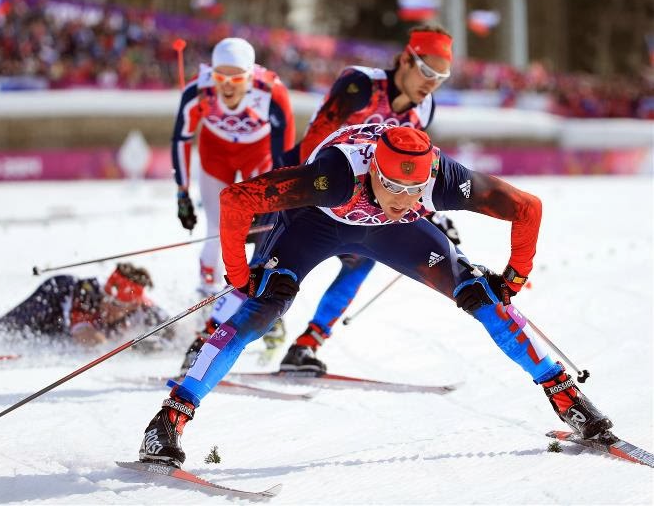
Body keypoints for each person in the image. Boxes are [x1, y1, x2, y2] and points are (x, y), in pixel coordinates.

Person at [137, 124, 613, 469]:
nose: (405, 199)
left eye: (415, 190)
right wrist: (241, 276)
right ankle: (170, 418)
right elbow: (236, 200)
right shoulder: (336, 175)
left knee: (482, 297)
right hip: (315, 225)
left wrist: (512, 278)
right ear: (375, 176)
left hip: (393, 236)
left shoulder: (443, 177)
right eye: (393, 188)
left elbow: (528, 208)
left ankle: (565, 396)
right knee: (262, 311)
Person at [188, 25, 460, 374]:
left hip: (357, 200)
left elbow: (411, 170)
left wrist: (429, 212)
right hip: (307, 180)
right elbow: (315, 141)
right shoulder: (361, 85)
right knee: (263, 268)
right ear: (406, 59)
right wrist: (298, 199)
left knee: (361, 260)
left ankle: (306, 346)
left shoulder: (424, 109)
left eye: (442, 75)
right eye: (426, 70)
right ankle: (204, 342)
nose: (431, 82)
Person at [172, 37, 295, 297]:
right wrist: (182, 192)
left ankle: (253, 287)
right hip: (215, 154)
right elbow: (181, 138)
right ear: (211, 74)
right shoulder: (197, 91)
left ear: (250, 77)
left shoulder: (271, 92)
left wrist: (279, 197)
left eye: (237, 79)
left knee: (261, 224)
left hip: (257, 155)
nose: (227, 86)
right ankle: (207, 290)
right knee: (217, 226)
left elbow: (284, 155)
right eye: (220, 77)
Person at [0, 262, 172, 348]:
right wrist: (130, 347)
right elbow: (85, 336)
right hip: (54, 298)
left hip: (63, 326)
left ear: (132, 306)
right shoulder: (87, 291)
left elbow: (174, 329)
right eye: (107, 299)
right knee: (3, 330)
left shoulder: (145, 308)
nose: (107, 307)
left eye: (116, 304)